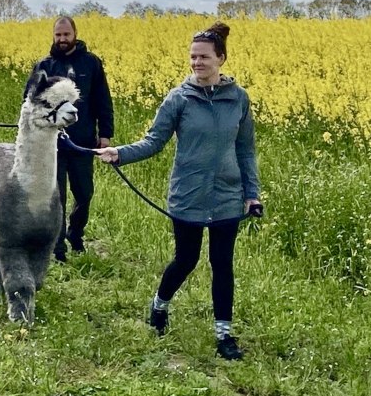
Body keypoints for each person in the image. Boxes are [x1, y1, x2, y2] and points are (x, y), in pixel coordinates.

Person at [94, 21, 260, 361]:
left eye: (204, 57)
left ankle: (224, 334)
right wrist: (120, 153)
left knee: (222, 263)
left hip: (227, 195)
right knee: (186, 259)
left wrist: (251, 193)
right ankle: (159, 305)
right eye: (193, 57)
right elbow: (154, 141)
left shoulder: (238, 99)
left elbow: (245, 150)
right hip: (189, 193)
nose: (197, 62)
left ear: (221, 59)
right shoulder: (179, 98)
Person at [30, 16, 114, 263]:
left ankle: (75, 232)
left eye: (66, 34)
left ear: (74, 34)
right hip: (51, 144)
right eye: (58, 35)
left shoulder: (91, 63)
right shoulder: (44, 66)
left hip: (83, 141)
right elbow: (30, 101)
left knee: (84, 193)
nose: (62, 39)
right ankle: (57, 248)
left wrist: (106, 134)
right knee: (56, 197)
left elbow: (102, 100)